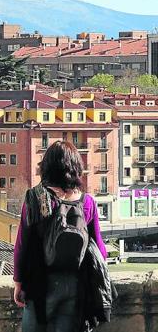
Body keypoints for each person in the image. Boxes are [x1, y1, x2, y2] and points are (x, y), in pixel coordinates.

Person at [13, 141, 109, 332]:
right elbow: (100, 249)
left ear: (46, 167)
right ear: (76, 168)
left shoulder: (34, 198)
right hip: (75, 285)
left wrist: (18, 282)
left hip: (40, 284)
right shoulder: (87, 202)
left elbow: (21, 245)